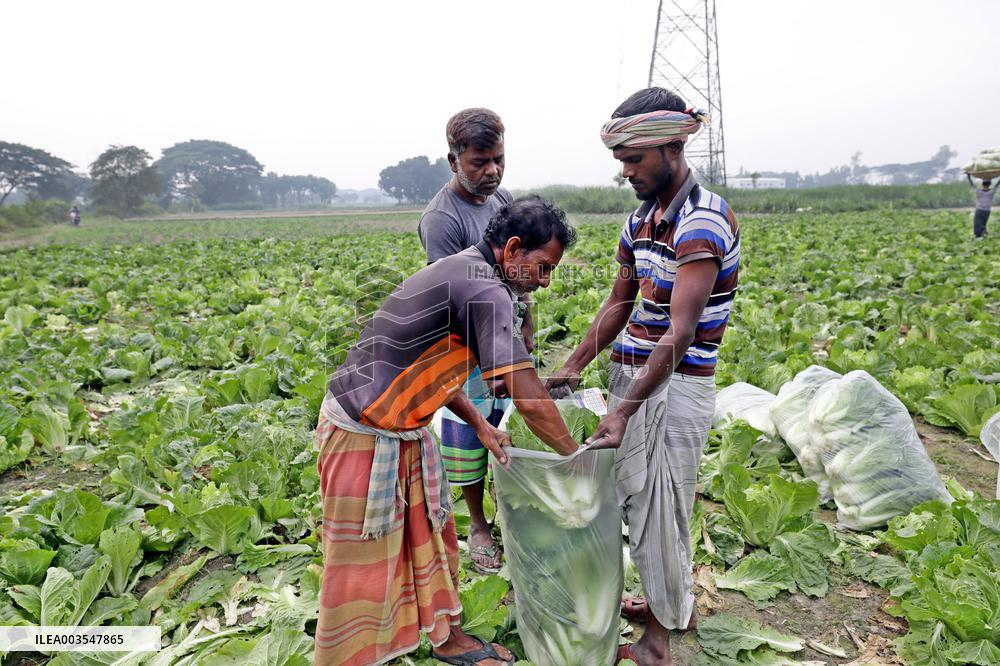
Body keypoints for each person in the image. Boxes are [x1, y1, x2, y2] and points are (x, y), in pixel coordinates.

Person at [316, 196, 580, 666]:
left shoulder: (470, 271)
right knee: (361, 566)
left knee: (432, 541)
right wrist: (577, 461)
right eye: (543, 267)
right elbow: (529, 396)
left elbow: (435, 366)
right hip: (361, 431)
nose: (545, 282)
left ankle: (448, 639)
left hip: (404, 428)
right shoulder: (487, 289)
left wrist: (479, 423)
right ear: (513, 249)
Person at [546, 87, 740, 666]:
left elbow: (678, 335)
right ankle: (664, 601)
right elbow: (619, 302)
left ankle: (658, 639)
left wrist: (624, 409)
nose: (626, 171)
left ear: (674, 146)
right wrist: (575, 365)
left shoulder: (701, 222)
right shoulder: (641, 218)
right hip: (630, 376)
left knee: (664, 505)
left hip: (676, 384)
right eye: (621, 161)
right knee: (633, 500)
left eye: (635, 160)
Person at [418, 108, 528, 574]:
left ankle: (513, 512)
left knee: (510, 424)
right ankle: (479, 524)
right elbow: (455, 294)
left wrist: (523, 327)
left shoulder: (502, 200)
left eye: (498, 159)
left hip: (507, 330)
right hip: (466, 344)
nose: (493, 171)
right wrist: (490, 359)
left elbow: (517, 272)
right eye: (480, 162)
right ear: (453, 160)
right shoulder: (442, 220)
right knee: (469, 433)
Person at [967, 174, 997, 238]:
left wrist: (968, 176)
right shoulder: (991, 192)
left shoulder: (978, 191)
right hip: (987, 211)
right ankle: (984, 235)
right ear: (989, 184)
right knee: (983, 225)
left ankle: (979, 237)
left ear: (982, 184)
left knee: (977, 226)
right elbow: (997, 185)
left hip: (979, 211)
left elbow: (972, 184)